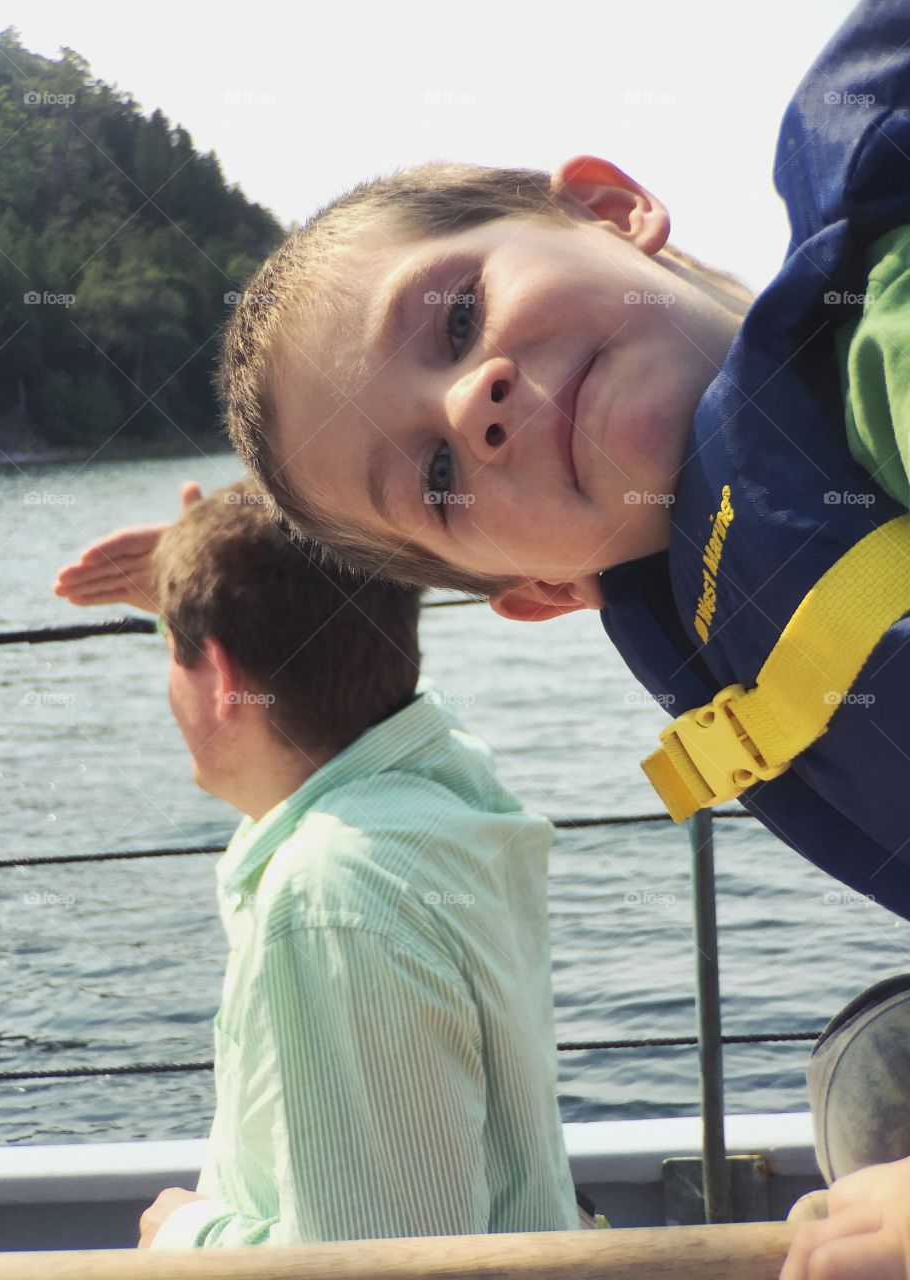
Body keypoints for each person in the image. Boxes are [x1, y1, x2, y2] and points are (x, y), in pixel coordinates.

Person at [214, 0, 910, 923]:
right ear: (545, 590)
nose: (471, 409)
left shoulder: (884, 334)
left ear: (611, 211)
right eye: (434, 479)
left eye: (459, 318)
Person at [53, 480, 580, 1248]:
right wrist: (220, 587)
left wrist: (185, 1236)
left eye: (172, 652)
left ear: (226, 684)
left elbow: (385, 1265)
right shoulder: (435, 783)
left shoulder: (330, 899)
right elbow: (332, 673)